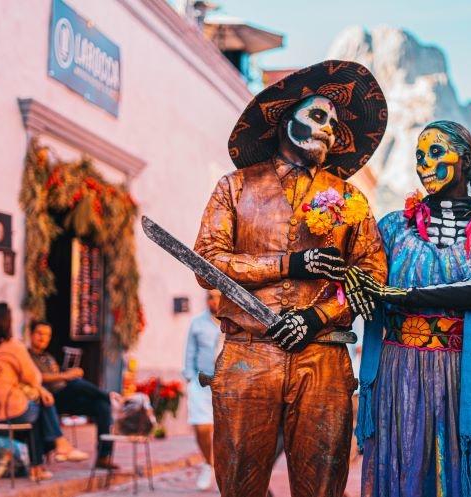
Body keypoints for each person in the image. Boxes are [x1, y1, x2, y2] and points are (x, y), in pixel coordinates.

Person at [194, 60, 388, 497]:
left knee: (322, 487)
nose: (328, 130)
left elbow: (372, 274)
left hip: (322, 360)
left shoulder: (350, 197)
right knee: (240, 485)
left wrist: (317, 317)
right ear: (286, 120)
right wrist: (289, 264)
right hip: (247, 355)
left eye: (335, 125)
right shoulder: (235, 187)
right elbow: (207, 262)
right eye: (318, 116)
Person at [346, 120, 471, 497]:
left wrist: (402, 296)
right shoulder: (393, 228)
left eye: (435, 152)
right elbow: (362, 282)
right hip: (402, 372)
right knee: (407, 467)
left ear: (465, 159)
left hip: (468, 370)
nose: (424, 163)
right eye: (419, 155)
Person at [0, 303, 87, 482]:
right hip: (8, 410)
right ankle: (55, 448)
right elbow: (34, 376)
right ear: (8, 324)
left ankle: (40, 465)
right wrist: (39, 389)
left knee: (36, 407)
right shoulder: (13, 347)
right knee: (41, 405)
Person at [27, 320, 117, 469]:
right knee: (75, 383)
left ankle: (103, 456)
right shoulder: (26, 356)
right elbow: (37, 377)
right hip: (47, 399)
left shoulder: (48, 357)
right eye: (39, 334)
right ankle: (108, 396)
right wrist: (66, 376)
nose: (43, 338)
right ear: (31, 335)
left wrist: (66, 376)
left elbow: (56, 376)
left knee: (102, 406)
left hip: (64, 396)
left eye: (47, 335)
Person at [182, 290, 221, 490]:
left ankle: (225, 471)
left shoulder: (234, 321)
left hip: (226, 385)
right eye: (210, 297)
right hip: (200, 382)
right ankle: (208, 463)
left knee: (227, 433)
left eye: (217, 296)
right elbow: (190, 351)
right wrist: (189, 377)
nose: (214, 301)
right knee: (201, 426)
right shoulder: (197, 323)